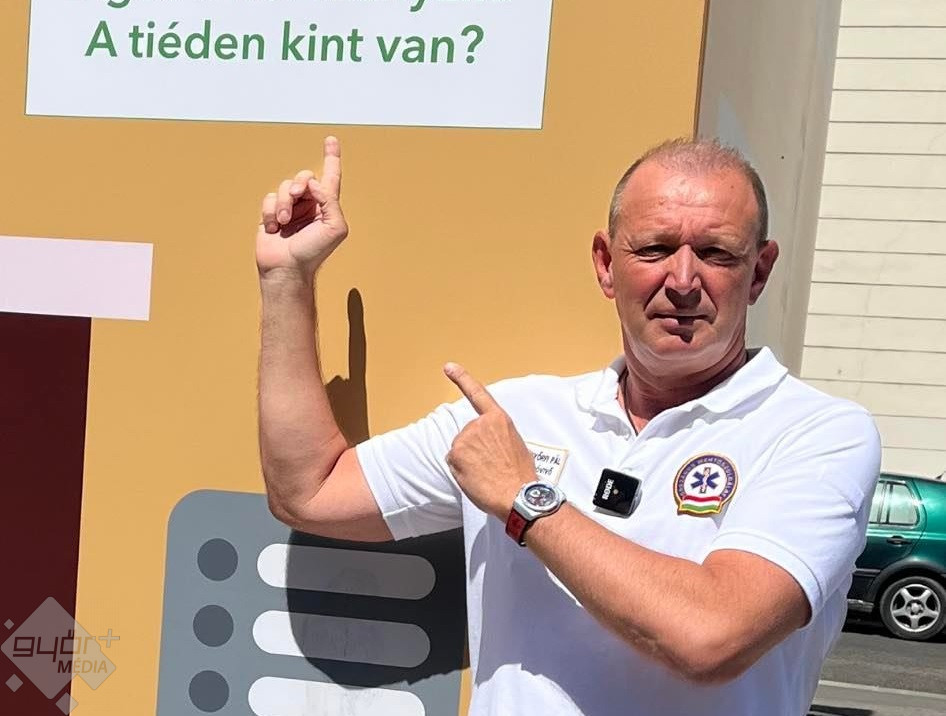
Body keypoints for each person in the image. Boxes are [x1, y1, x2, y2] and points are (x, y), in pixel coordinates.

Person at [256, 136, 881, 715]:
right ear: (606, 264)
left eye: (716, 253)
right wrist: (287, 280)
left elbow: (711, 637)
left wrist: (527, 500)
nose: (683, 281)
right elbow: (311, 491)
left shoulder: (821, 433)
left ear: (760, 272)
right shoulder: (515, 415)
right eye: (655, 249)